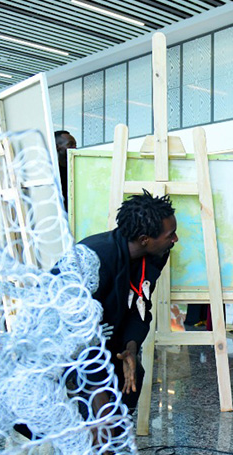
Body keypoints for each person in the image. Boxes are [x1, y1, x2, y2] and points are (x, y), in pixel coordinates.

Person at [77, 191, 176, 413]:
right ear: (144, 239)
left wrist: (130, 347)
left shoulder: (155, 255)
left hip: (107, 338)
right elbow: (73, 329)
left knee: (132, 375)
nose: (175, 240)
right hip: (69, 348)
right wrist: (96, 388)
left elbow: (140, 305)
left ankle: (115, 436)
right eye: (171, 235)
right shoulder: (94, 257)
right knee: (97, 404)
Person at [55, 130, 77, 210]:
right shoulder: (51, 171)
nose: (74, 148)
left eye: (75, 145)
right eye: (70, 144)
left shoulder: (77, 169)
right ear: (57, 147)